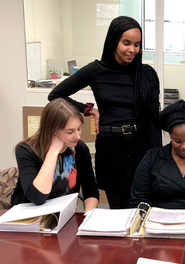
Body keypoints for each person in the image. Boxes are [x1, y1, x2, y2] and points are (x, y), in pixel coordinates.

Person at [49, 16, 161, 209]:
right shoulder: (96, 71)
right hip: (111, 150)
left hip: (140, 147)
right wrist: (87, 109)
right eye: (126, 43)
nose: (132, 50)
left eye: (137, 44)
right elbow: (56, 95)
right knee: (117, 210)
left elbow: (153, 121)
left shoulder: (147, 74)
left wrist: (157, 158)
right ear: (114, 41)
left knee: (140, 209)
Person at [11, 99, 99, 212]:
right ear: (53, 131)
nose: (78, 136)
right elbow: (37, 198)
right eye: (70, 132)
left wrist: (88, 216)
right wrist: (53, 151)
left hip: (63, 216)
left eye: (79, 129)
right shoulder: (26, 150)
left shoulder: (80, 148)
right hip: (29, 217)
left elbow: (91, 191)